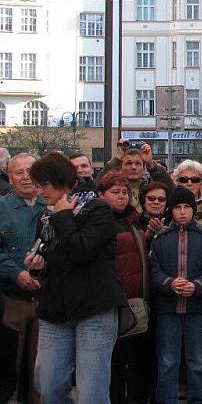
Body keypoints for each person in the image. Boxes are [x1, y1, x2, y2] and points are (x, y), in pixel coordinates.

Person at [28, 152, 127, 404]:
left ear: (60, 180)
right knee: (49, 387)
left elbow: (80, 251)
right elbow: (53, 256)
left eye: (43, 184)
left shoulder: (98, 209)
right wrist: (37, 267)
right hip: (55, 310)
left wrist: (63, 216)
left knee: (92, 392)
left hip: (94, 309)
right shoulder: (45, 216)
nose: (39, 191)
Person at [150, 187, 202, 404]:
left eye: (187, 207)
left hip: (197, 310)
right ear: (171, 210)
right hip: (168, 310)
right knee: (168, 361)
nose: (182, 212)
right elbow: (153, 271)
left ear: (193, 210)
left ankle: (198, 399)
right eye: (178, 207)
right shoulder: (160, 238)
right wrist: (169, 283)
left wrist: (197, 286)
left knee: (198, 361)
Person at [97, 171, 151, 404]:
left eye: (124, 193)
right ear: (101, 194)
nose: (121, 197)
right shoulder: (99, 220)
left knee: (137, 359)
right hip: (111, 300)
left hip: (136, 298)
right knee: (113, 362)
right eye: (115, 192)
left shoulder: (133, 218)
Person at [0, 153, 43, 404]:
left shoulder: (54, 206)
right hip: (11, 301)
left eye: (31, 170)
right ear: (9, 177)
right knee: (9, 367)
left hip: (46, 301)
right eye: (19, 172)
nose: (26, 177)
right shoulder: (2, 208)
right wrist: (15, 273)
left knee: (40, 372)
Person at [100, 141, 173, 212]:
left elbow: (173, 192)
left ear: (143, 168)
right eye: (129, 163)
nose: (133, 167)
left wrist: (151, 164)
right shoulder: (112, 189)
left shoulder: (149, 189)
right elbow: (98, 187)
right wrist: (117, 158)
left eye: (138, 163)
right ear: (120, 167)